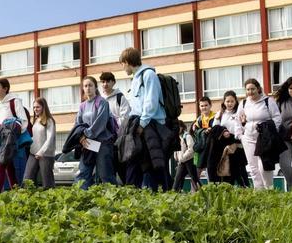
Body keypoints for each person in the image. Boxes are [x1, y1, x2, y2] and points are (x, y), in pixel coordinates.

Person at [118, 48, 170, 191]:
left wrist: (142, 124)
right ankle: (140, 193)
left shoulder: (148, 75)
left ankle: (155, 192)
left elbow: (151, 103)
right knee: (138, 162)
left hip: (150, 125)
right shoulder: (135, 78)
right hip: (140, 124)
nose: (122, 67)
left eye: (122, 64)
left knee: (151, 163)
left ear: (127, 62)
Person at [71, 76, 118, 188]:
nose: (88, 88)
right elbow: (77, 124)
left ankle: (113, 200)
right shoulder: (82, 106)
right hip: (88, 143)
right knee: (84, 173)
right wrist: (80, 138)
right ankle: (80, 200)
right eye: (85, 86)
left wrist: (86, 135)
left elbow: (100, 124)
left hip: (103, 143)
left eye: (90, 85)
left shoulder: (102, 102)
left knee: (105, 174)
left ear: (95, 87)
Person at [238, 79, 280, 190]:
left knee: (264, 166)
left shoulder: (268, 101)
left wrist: (270, 131)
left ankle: (269, 189)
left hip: (264, 139)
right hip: (248, 138)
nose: (250, 92)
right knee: (253, 168)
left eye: (252, 89)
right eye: (248, 89)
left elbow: (277, 118)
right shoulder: (243, 103)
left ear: (258, 89)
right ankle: (259, 192)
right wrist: (240, 136)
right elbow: (237, 121)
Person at [209, 91, 246, 186]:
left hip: (237, 146)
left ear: (235, 102)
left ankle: (246, 190)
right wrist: (219, 123)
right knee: (227, 173)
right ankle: (229, 193)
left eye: (232, 101)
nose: (230, 104)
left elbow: (243, 127)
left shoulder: (240, 112)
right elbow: (214, 129)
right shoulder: (220, 114)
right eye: (227, 101)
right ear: (224, 102)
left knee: (240, 172)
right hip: (225, 147)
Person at [24, 97, 57, 188]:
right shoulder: (36, 120)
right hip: (33, 153)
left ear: (43, 107)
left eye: (38, 107)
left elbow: (50, 139)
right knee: (27, 179)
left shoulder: (49, 121)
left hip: (46, 155)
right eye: (34, 107)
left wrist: (41, 152)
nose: (35, 109)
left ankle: (51, 201)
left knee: (47, 182)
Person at [172, 119, 201, 192]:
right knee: (178, 178)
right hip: (182, 161)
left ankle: (201, 193)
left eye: (178, 127)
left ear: (182, 127)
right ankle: (174, 194)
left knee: (194, 178)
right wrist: (177, 157)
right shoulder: (177, 137)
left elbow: (191, 149)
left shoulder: (187, 136)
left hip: (189, 160)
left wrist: (182, 158)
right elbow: (176, 149)